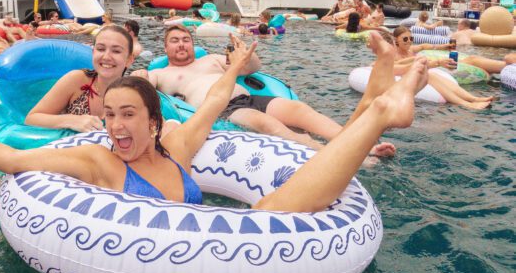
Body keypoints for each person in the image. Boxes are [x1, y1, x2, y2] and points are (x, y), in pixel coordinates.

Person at [0, 35, 429, 215]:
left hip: (205, 252)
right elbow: (10, 158)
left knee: (274, 204)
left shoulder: (177, 144)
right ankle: (381, 107)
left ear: (153, 122)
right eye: (109, 117)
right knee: (268, 211)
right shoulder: (96, 157)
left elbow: (216, 100)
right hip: (148, 258)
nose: (116, 127)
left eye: (127, 117)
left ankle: (381, 102)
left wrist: (238, 65)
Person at [138, 25, 395, 157]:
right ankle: (338, 154)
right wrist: (139, 74)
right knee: (269, 125)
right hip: (223, 110)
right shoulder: (161, 74)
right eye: (175, 41)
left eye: (186, 40)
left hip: (249, 97)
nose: (181, 45)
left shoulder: (211, 59)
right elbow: (142, 84)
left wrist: (245, 57)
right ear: (165, 47)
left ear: (193, 44)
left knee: (301, 111)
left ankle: (363, 145)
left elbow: (252, 68)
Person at [25, 25, 136, 132]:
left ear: (129, 60)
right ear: (93, 53)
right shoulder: (76, 80)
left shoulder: (134, 95)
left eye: (116, 51)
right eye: (101, 49)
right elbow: (31, 119)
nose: (106, 57)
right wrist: (70, 120)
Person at [391, 26, 492, 109]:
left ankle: (473, 98)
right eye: (405, 39)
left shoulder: (410, 50)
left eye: (411, 38)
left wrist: (442, 47)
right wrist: (437, 62)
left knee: (436, 76)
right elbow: (401, 66)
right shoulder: (393, 55)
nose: (409, 41)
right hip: (404, 79)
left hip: (418, 74)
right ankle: (467, 104)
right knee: (431, 76)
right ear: (396, 40)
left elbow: (423, 46)